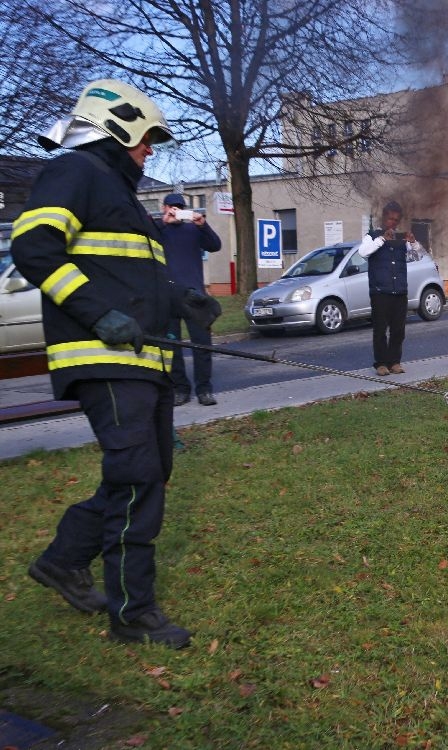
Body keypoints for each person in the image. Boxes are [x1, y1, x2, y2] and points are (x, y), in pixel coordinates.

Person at [12, 79, 220, 649]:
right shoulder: (75, 172)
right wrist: (99, 315)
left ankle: (63, 561)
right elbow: (33, 249)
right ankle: (133, 614)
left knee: (147, 472)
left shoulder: (122, 196)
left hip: (143, 359)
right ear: (116, 128)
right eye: (145, 139)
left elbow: (130, 280)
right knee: (136, 479)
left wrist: (184, 301)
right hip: (104, 358)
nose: (150, 149)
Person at [160, 193, 222, 406]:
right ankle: (180, 389)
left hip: (194, 297)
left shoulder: (193, 230)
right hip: (167, 298)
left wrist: (203, 225)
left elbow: (215, 245)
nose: (175, 210)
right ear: (164, 208)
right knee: (171, 346)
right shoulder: (159, 231)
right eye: (172, 207)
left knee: (202, 345)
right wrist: (164, 224)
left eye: (179, 207)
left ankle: (204, 390)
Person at [356, 200, 424, 375]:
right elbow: (363, 252)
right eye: (389, 218)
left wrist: (413, 242)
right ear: (384, 217)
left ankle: (395, 362)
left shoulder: (401, 239)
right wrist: (381, 239)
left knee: (398, 330)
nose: (392, 222)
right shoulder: (372, 236)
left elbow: (417, 257)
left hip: (399, 290)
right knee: (380, 329)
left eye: (395, 220)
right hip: (380, 291)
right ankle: (381, 363)